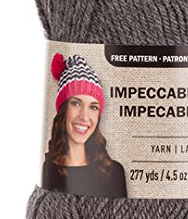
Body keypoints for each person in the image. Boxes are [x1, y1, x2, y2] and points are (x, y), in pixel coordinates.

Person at [42, 52, 127, 198]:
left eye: (93, 107)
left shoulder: (114, 171)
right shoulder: (48, 169)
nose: (84, 116)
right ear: (63, 110)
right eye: (76, 103)